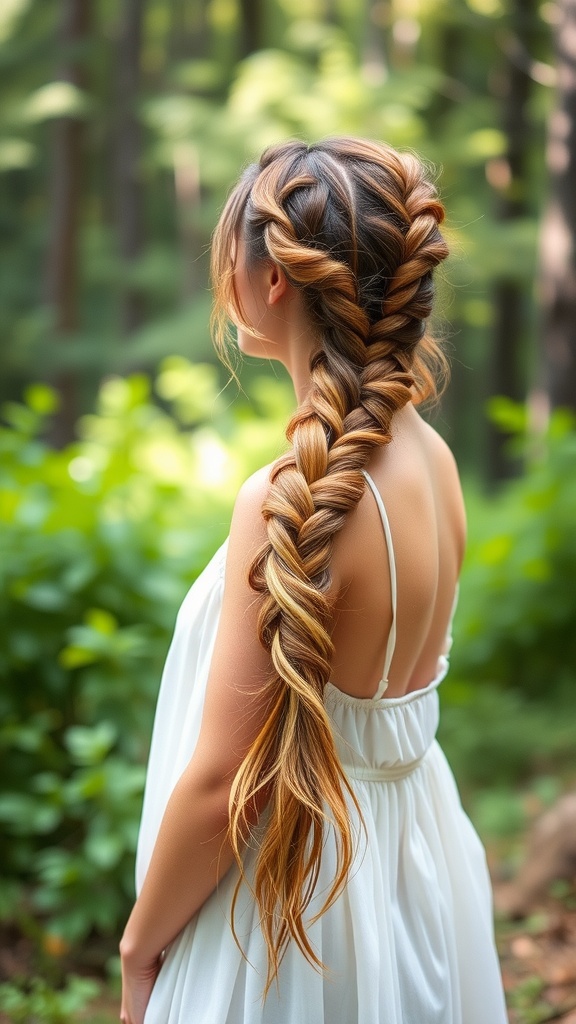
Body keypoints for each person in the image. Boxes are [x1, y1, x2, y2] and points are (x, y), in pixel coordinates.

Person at [119, 137, 509, 1024]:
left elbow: (230, 784)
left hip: (300, 902)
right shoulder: (434, 458)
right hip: (416, 862)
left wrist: (142, 946)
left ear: (273, 280)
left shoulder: (284, 501)